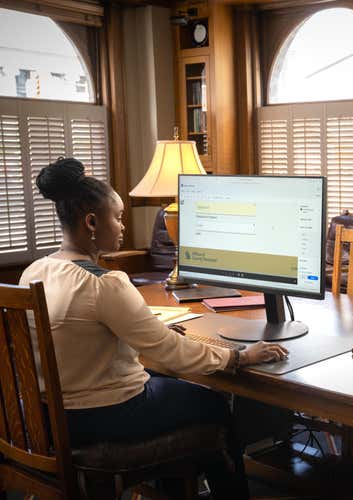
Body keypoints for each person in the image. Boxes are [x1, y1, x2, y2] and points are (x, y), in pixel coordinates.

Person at [20, 157, 289, 499]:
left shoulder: (35, 273)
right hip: (102, 417)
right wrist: (238, 357)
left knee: (171, 386)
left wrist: (146, 338)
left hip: (48, 419)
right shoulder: (104, 283)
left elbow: (78, 341)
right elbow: (168, 351)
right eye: (117, 218)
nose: (121, 227)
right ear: (91, 222)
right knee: (214, 405)